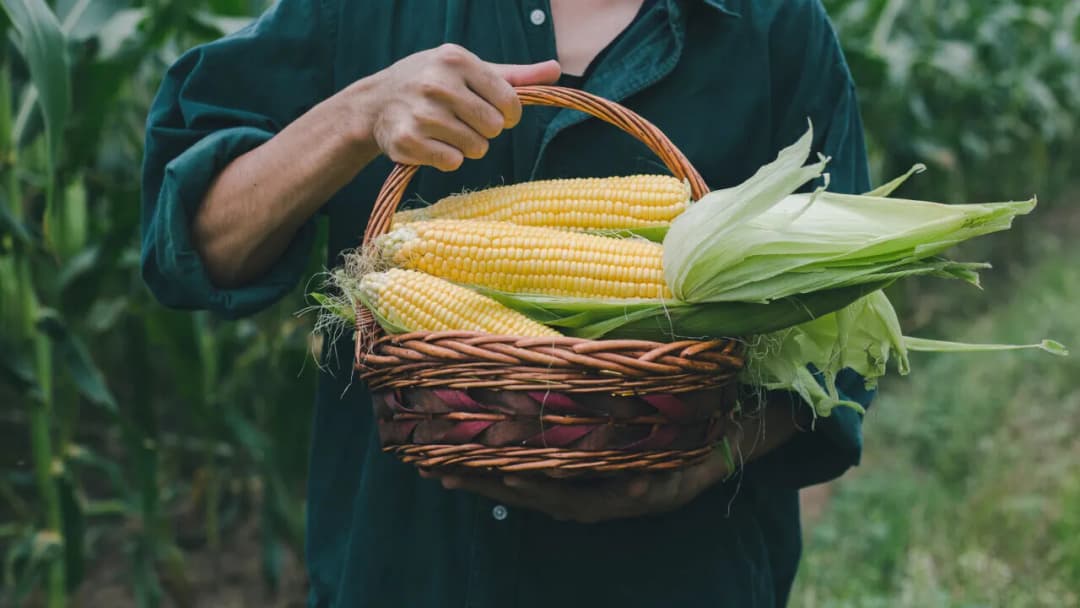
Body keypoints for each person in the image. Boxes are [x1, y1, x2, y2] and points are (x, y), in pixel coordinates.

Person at [141, 0, 875, 605]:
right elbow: (196, 246)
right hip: (412, 572)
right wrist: (359, 114)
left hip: (678, 576)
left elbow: (843, 341)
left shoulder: (776, 26)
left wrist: (702, 464)